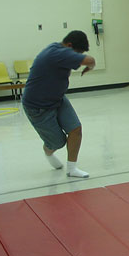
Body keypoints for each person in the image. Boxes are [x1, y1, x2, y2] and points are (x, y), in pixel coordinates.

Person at [22, 30, 95, 178]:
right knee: (57, 143)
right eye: (77, 53)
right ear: (69, 45)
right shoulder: (58, 53)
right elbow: (90, 60)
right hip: (38, 106)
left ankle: (71, 168)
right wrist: (90, 66)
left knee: (75, 129)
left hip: (57, 98)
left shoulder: (60, 50)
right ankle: (47, 150)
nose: (77, 57)